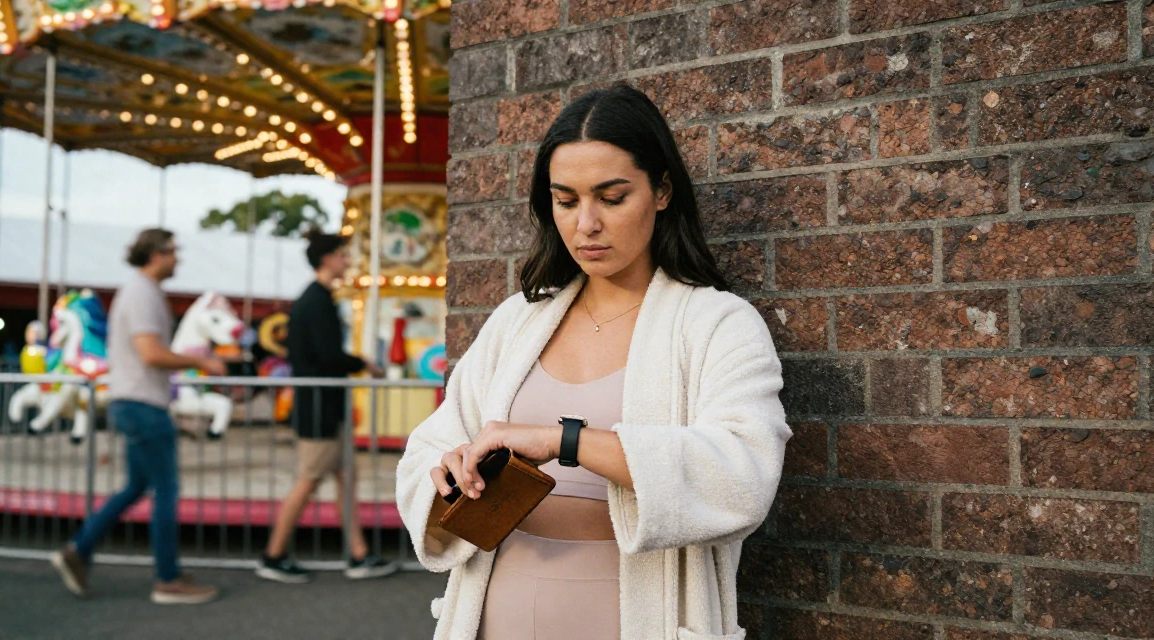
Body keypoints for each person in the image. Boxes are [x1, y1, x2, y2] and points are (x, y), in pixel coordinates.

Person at [395, 85, 792, 639]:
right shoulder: (517, 320)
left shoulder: (717, 324)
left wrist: (565, 441)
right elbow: (429, 450)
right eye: (566, 200)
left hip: (637, 616)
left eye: (611, 197)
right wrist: (449, 473)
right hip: (494, 609)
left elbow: (741, 475)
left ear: (661, 191)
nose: (586, 224)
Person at [50, 228, 227, 604]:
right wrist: (201, 360)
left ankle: (78, 550)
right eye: (173, 251)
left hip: (132, 400)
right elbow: (151, 353)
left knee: (135, 487)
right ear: (156, 254)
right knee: (167, 489)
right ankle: (167, 578)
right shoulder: (144, 294)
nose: (178, 259)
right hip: (144, 403)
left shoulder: (139, 292)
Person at [256, 230, 395, 583]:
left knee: (346, 477)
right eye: (342, 255)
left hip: (326, 406)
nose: (347, 261)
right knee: (308, 480)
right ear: (327, 259)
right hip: (319, 406)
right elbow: (328, 357)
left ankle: (358, 554)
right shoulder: (316, 301)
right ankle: (273, 554)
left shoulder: (316, 299)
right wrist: (362, 362)